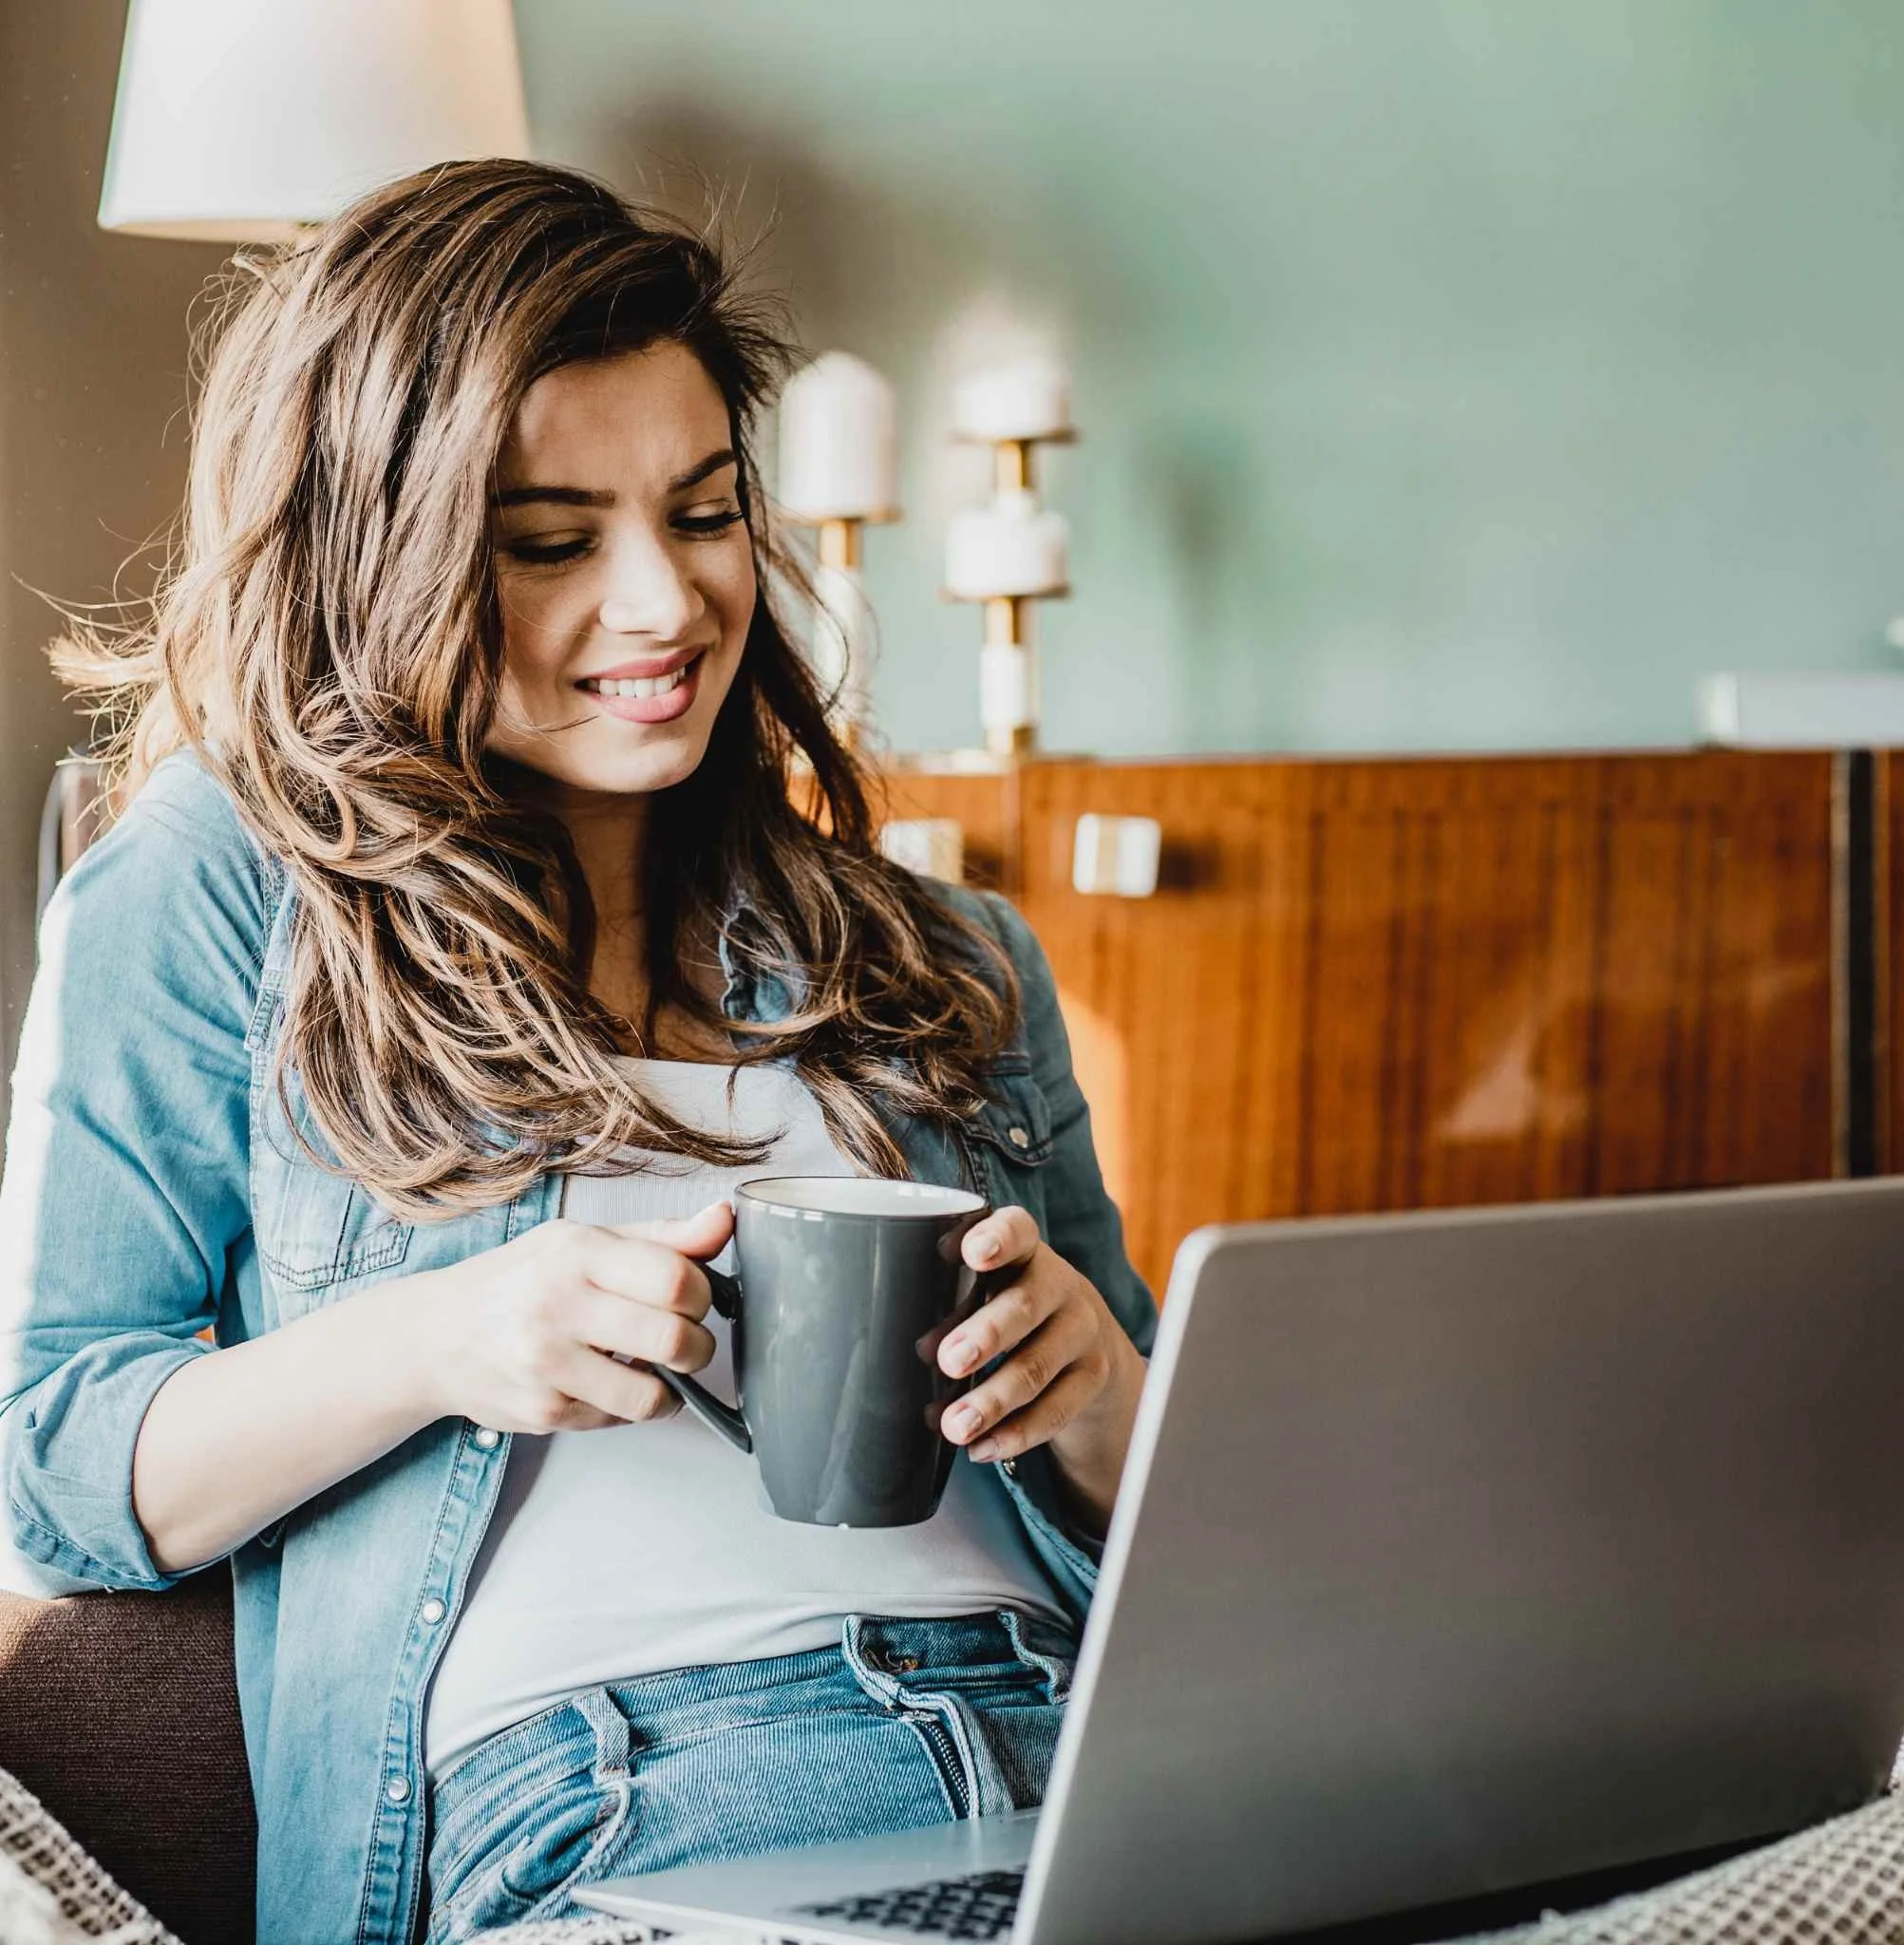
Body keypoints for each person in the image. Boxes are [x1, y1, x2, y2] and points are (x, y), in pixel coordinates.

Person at [0, 160, 1154, 1945]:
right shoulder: (219, 895)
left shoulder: (947, 954)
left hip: (1090, 1755)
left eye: (701, 516)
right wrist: (448, 1338)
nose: (666, 608)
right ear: (373, 553)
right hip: (624, 1791)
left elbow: (1179, 1479)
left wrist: (1091, 1396)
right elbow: (62, 1465)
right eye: (551, 543)